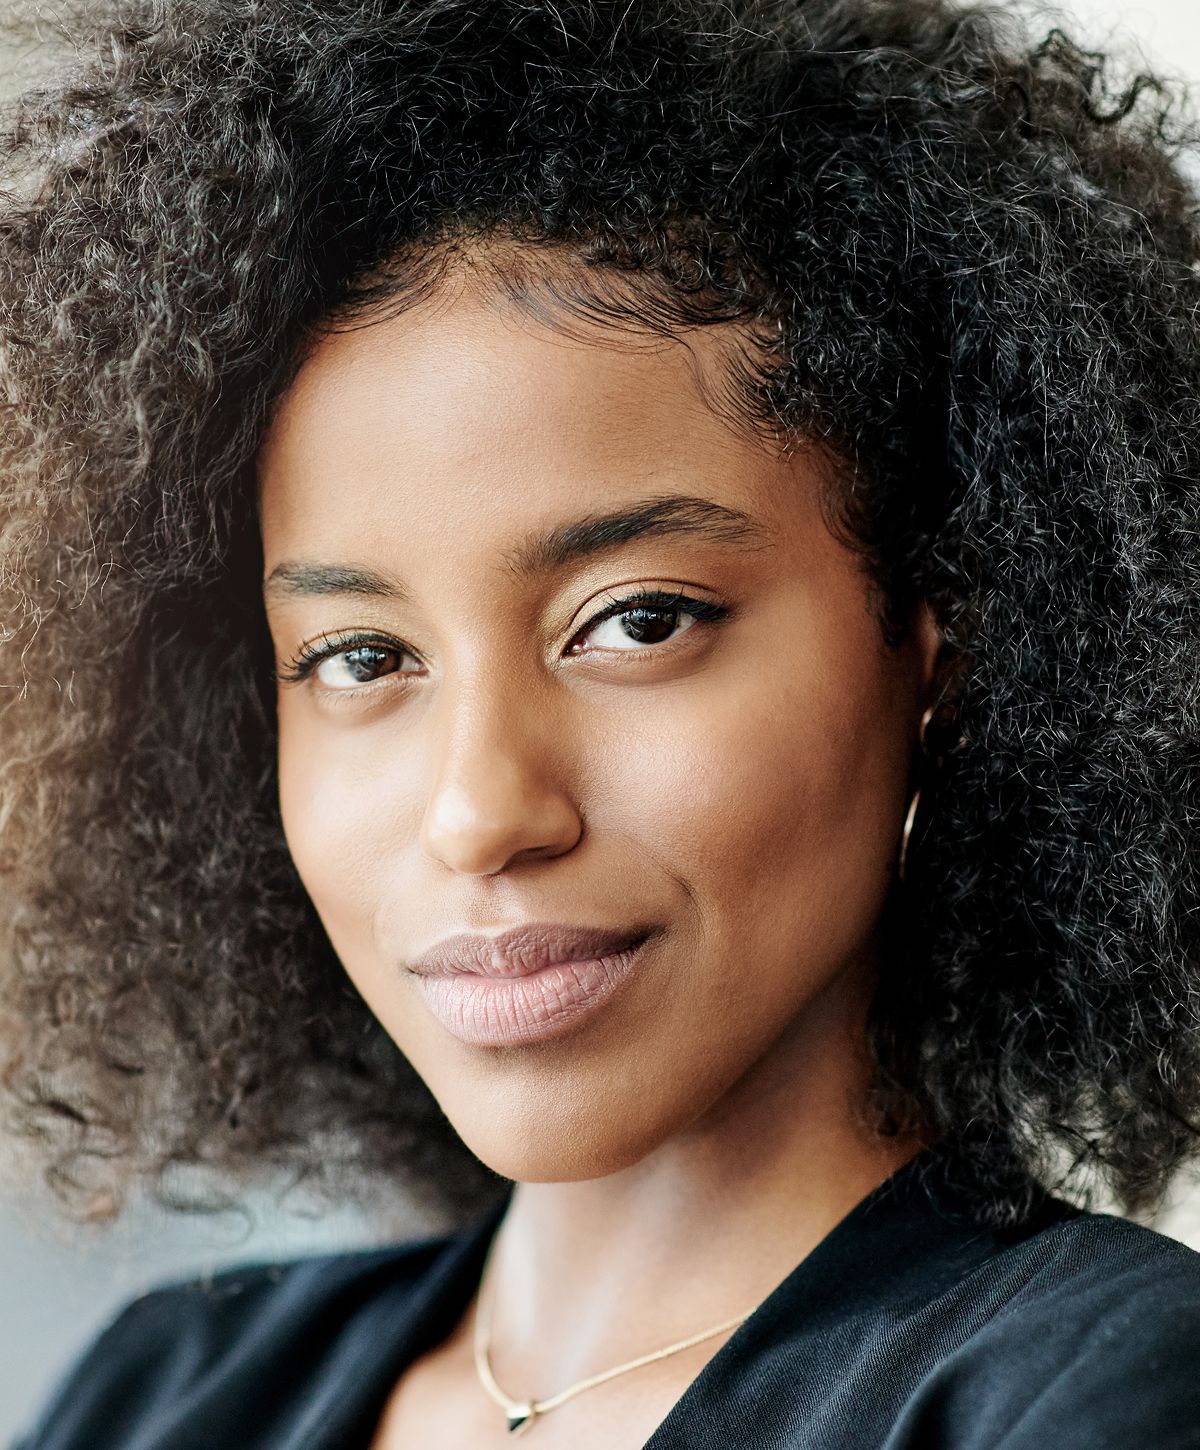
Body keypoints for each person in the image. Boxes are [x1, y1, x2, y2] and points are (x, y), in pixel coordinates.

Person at [2, 0, 1199, 1444]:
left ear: (941, 648)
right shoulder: (163, 1395)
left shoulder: (1095, 1391)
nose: (481, 806)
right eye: (361, 653)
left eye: (637, 620)